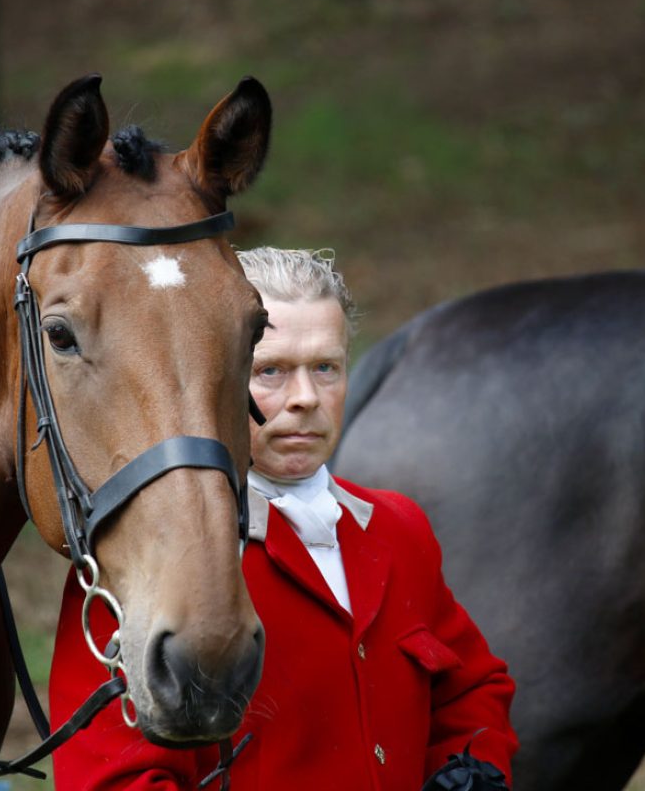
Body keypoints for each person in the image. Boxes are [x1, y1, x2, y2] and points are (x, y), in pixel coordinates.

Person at [48, 247, 518, 790]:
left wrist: (468, 773)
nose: (305, 399)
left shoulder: (398, 527)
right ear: (217, 380)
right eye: (271, 370)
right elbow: (114, 780)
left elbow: (473, 690)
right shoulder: (137, 557)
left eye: (326, 368)